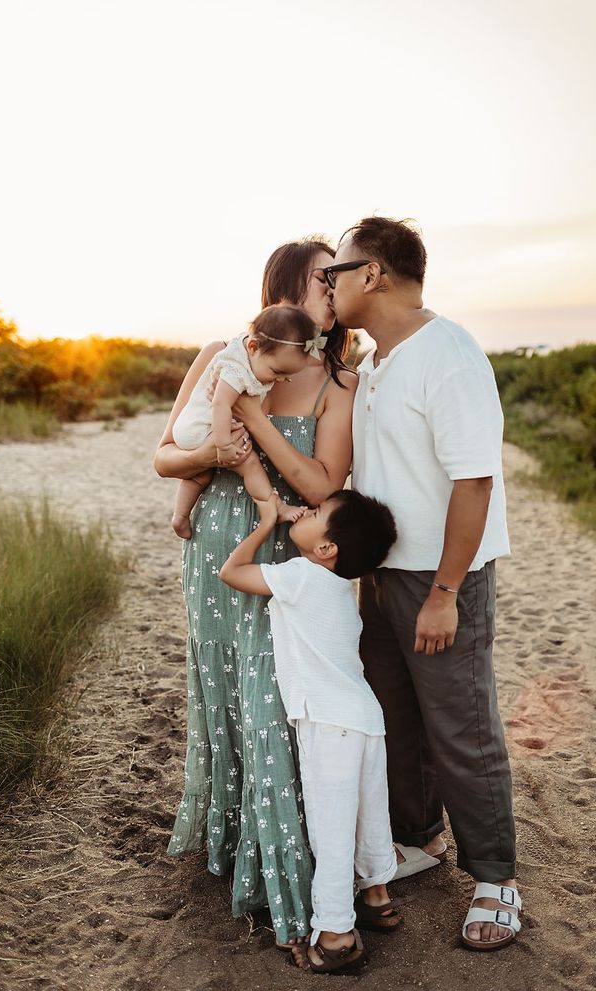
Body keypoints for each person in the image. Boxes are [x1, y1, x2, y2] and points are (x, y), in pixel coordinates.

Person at [154, 238, 358, 950]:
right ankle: (239, 842)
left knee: (276, 697)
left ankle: (284, 865)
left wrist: (255, 416)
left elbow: (321, 487)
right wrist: (213, 454)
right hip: (220, 542)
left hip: (289, 549)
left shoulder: (338, 380)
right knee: (230, 689)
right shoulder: (220, 351)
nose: (333, 286)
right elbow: (162, 457)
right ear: (285, 290)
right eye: (320, 277)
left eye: (337, 277)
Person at [326, 216, 522, 950]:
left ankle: (496, 878)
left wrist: (444, 591)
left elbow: (474, 482)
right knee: (395, 718)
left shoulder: (450, 356)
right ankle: (417, 839)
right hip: (382, 575)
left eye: (334, 272)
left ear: (371, 273)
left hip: (443, 579)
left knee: (461, 728)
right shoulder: (378, 360)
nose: (328, 284)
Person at [219, 488, 400, 975]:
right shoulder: (341, 588)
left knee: (331, 829)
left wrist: (265, 521)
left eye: (315, 513)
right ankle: (379, 895)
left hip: (328, 722)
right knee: (369, 814)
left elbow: (231, 572)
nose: (305, 511)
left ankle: (338, 932)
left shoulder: (299, 577)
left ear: (326, 550)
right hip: (364, 717)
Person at [170, 304, 325, 538]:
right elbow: (220, 404)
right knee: (250, 464)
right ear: (253, 347)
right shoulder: (236, 370)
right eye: (277, 371)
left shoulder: (249, 349)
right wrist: (223, 445)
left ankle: (180, 516)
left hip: (193, 429)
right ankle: (275, 506)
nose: (281, 379)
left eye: (288, 376)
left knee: (200, 474)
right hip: (203, 429)